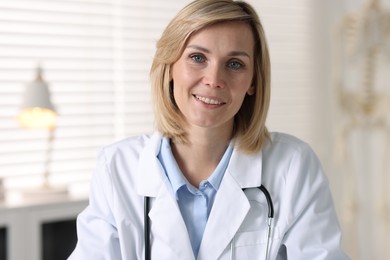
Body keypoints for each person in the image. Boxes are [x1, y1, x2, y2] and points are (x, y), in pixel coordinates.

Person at [69, 0, 349, 259]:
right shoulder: (117, 167)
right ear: (170, 68)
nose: (214, 79)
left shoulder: (293, 166)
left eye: (235, 64)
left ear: (252, 81)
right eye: (197, 58)